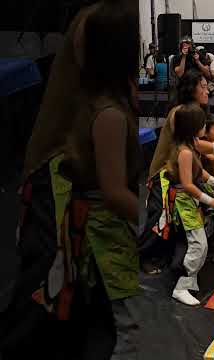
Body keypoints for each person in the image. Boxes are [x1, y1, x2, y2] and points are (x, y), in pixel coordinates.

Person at [5, 2, 141, 359]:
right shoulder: (106, 113)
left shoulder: (98, 105)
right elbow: (112, 190)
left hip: (81, 230)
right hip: (78, 228)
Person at [141, 70, 214, 275]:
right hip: (164, 173)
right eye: (203, 86)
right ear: (191, 90)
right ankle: (144, 256)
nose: (207, 90)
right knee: (160, 219)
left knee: (172, 220)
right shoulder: (181, 113)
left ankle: (169, 256)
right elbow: (196, 144)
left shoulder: (194, 110)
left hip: (179, 172)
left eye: (207, 86)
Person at [163, 104, 214, 306]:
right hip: (183, 202)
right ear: (192, 127)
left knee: (200, 244)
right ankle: (181, 288)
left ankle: (187, 282)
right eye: (201, 123)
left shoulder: (192, 144)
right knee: (199, 245)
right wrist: (211, 201)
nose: (204, 126)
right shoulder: (185, 152)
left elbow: (200, 173)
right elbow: (188, 184)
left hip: (189, 200)